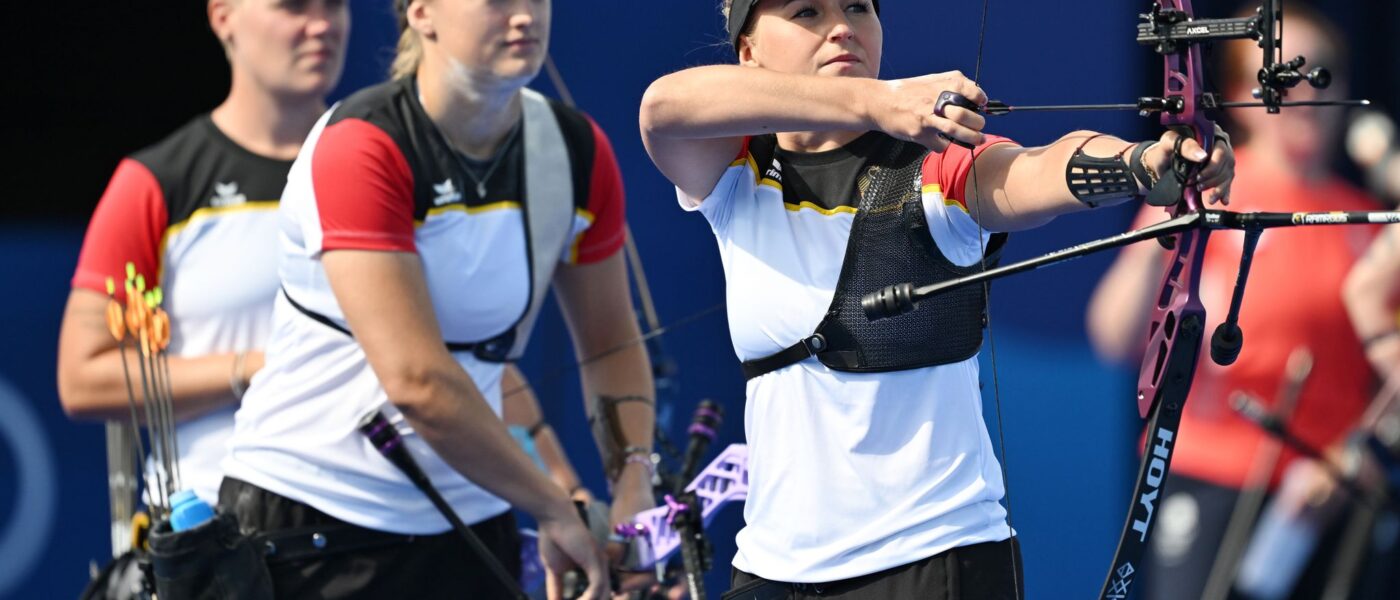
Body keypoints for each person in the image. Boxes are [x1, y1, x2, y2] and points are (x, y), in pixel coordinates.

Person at [638, 1, 1233, 598]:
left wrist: (1145, 162)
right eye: (807, 11)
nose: (842, 26)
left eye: (857, 6)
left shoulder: (933, 166)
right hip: (771, 569)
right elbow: (663, 109)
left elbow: (1037, 168)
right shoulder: (737, 171)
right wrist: (876, 102)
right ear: (749, 52)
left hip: (931, 560)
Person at [218, 0, 655, 598]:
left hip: (474, 520)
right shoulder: (361, 145)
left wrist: (634, 477)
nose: (524, 15)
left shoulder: (577, 149)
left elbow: (609, 341)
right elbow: (417, 380)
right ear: (421, 13)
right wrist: (555, 504)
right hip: (309, 526)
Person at [1086, 4, 1383, 598]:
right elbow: (1114, 335)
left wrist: (1359, 454)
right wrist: (1172, 216)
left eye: (1319, 73)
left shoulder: (1369, 222)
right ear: (1241, 91)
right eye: (1280, 76)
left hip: (1324, 495)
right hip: (1207, 474)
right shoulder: (1206, 191)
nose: (1301, 92)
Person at [58, 0, 349, 508]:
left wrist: (540, 460)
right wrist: (256, 368)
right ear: (223, 17)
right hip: (215, 528)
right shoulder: (156, 183)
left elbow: (459, 347)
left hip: (374, 524)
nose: (322, 24)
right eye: (294, 6)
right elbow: (84, 377)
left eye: (336, 5)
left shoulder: (383, 165)